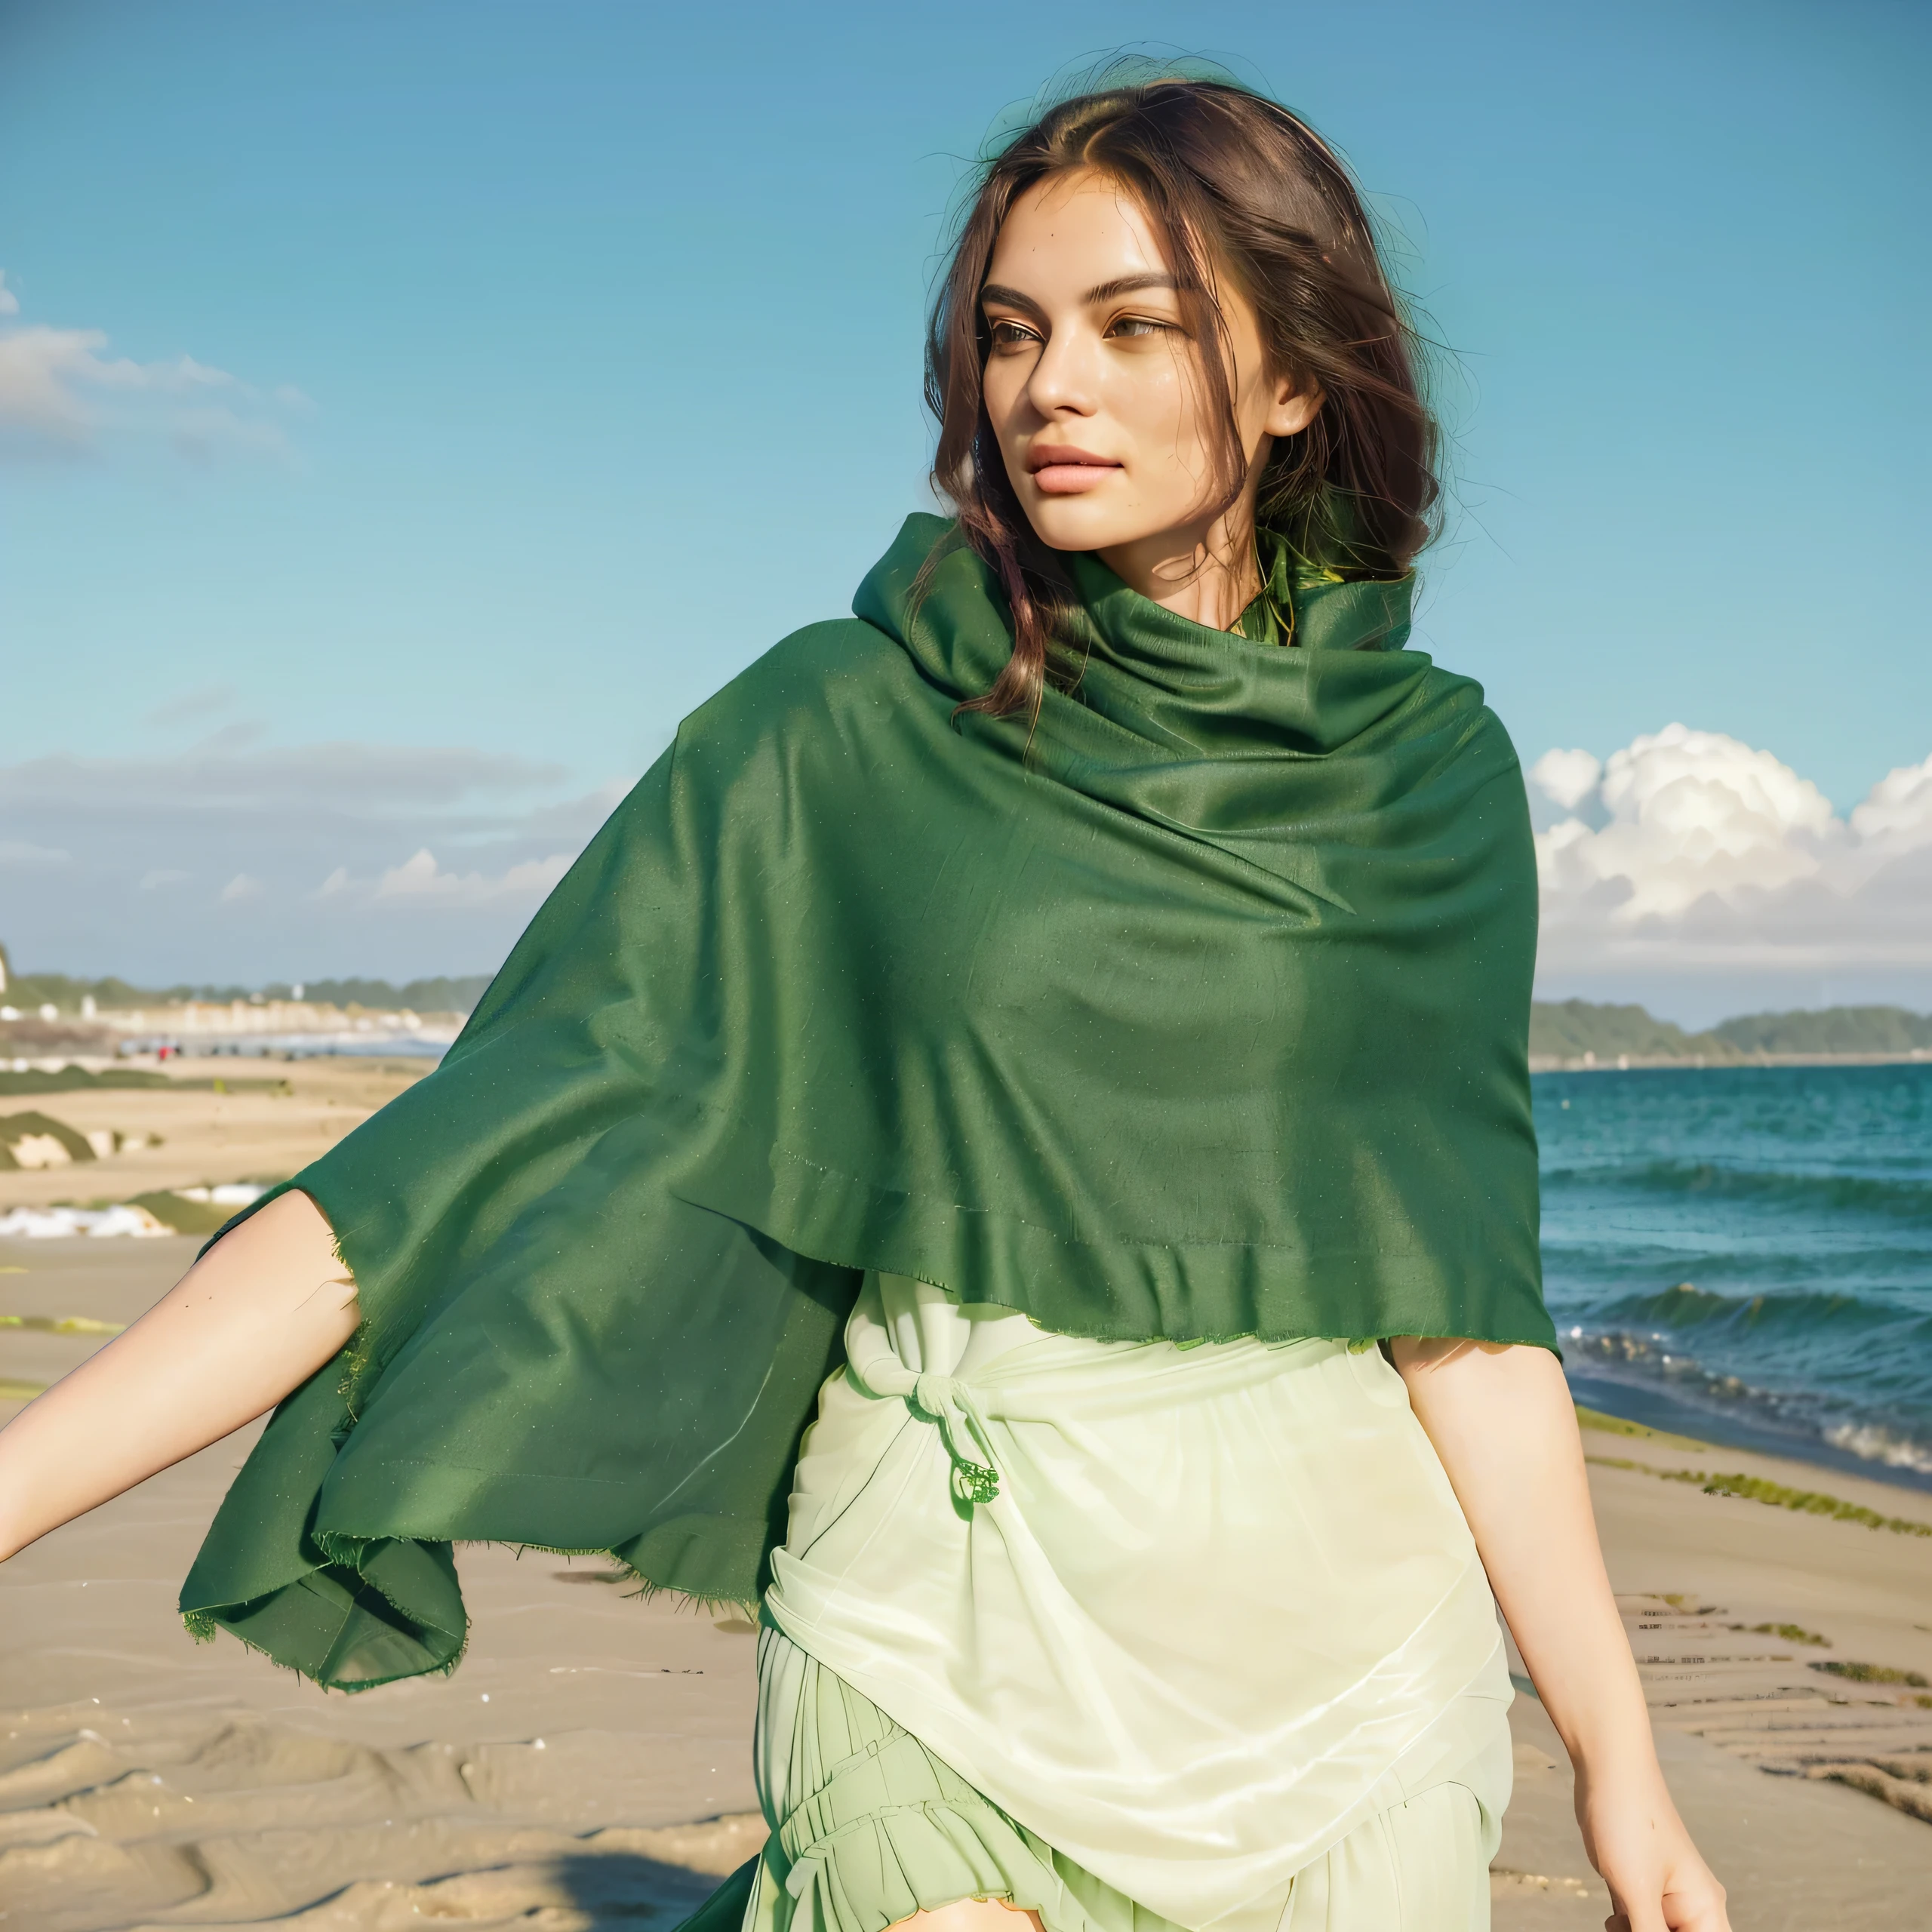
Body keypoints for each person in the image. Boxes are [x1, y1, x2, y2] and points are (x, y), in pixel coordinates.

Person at [0, 74, 1727, 1932]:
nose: (1048, 386)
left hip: (1339, 1669)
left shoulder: (1429, 774)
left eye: (1132, 326)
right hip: (933, 1614)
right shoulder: (842, 720)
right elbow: (451, 1166)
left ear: (1297, 374)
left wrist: (1616, 1760)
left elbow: (1457, 1311)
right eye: (1010, 332)